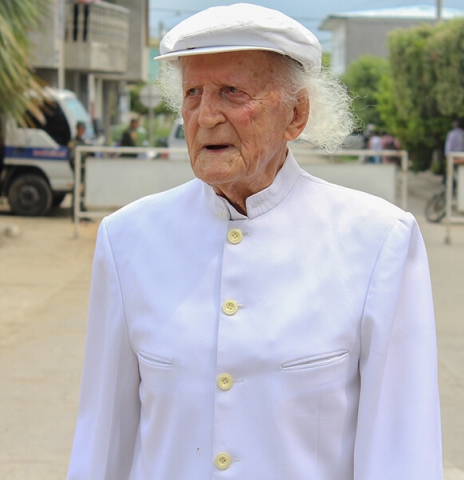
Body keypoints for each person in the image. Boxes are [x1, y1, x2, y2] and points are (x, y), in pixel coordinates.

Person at [66, 4, 442, 480]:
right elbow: (102, 443)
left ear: (296, 114)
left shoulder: (377, 241)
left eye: (232, 92)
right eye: (192, 93)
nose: (205, 116)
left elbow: (402, 451)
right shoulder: (127, 239)